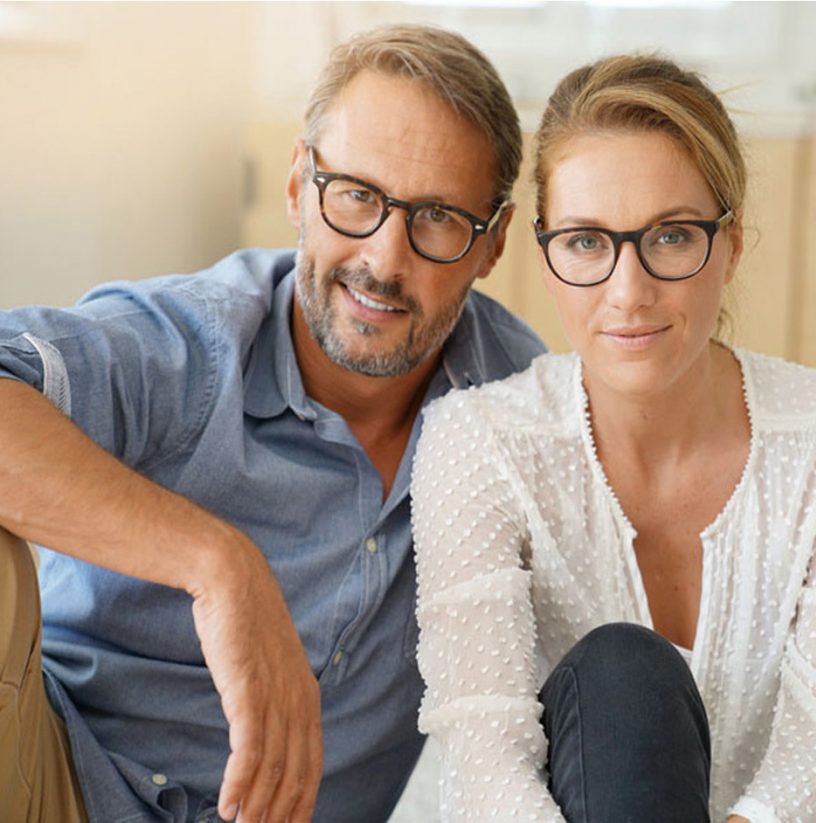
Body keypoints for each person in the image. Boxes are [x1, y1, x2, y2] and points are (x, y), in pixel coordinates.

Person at [0, 24, 544, 823]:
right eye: (357, 194)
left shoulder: (517, 403)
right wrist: (219, 565)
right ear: (299, 184)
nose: (384, 262)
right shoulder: (189, 342)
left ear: (491, 243)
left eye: (435, 218)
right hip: (62, 781)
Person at [411, 54, 816, 822]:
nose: (628, 291)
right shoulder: (475, 442)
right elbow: (485, 769)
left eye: (671, 236)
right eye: (585, 241)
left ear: (731, 243)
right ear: (544, 255)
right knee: (622, 673)